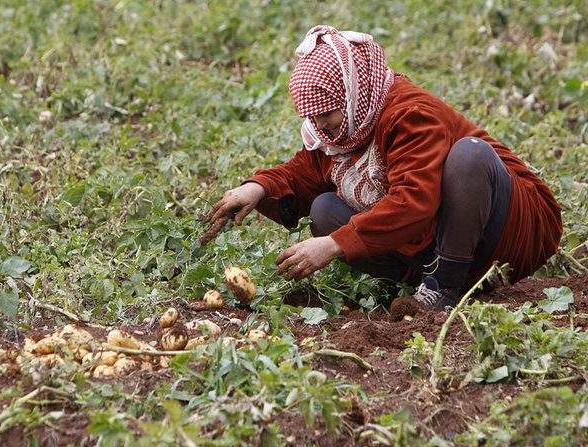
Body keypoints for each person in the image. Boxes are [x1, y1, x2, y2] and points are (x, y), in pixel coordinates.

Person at [206, 25, 562, 315]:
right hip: (441, 238)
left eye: (326, 114)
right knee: (325, 210)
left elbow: (413, 201)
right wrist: (258, 188)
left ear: (352, 92)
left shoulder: (409, 113)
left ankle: (443, 285)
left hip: (508, 228)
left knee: (470, 156)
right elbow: (304, 171)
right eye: (312, 117)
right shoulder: (345, 127)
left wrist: (333, 245)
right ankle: (423, 280)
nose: (320, 125)